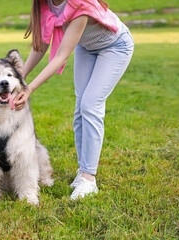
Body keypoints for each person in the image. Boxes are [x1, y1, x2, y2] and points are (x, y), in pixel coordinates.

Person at [14, 0, 134, 200]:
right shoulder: (47, 4)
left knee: (90, 105)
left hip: (115, 47)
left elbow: (60, 56)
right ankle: (83, 171)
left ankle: (89, 179)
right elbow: (41, 47)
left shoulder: (80, 6)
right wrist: (20, 80)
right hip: (86, 48)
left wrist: (30, 89)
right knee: (80, 108)